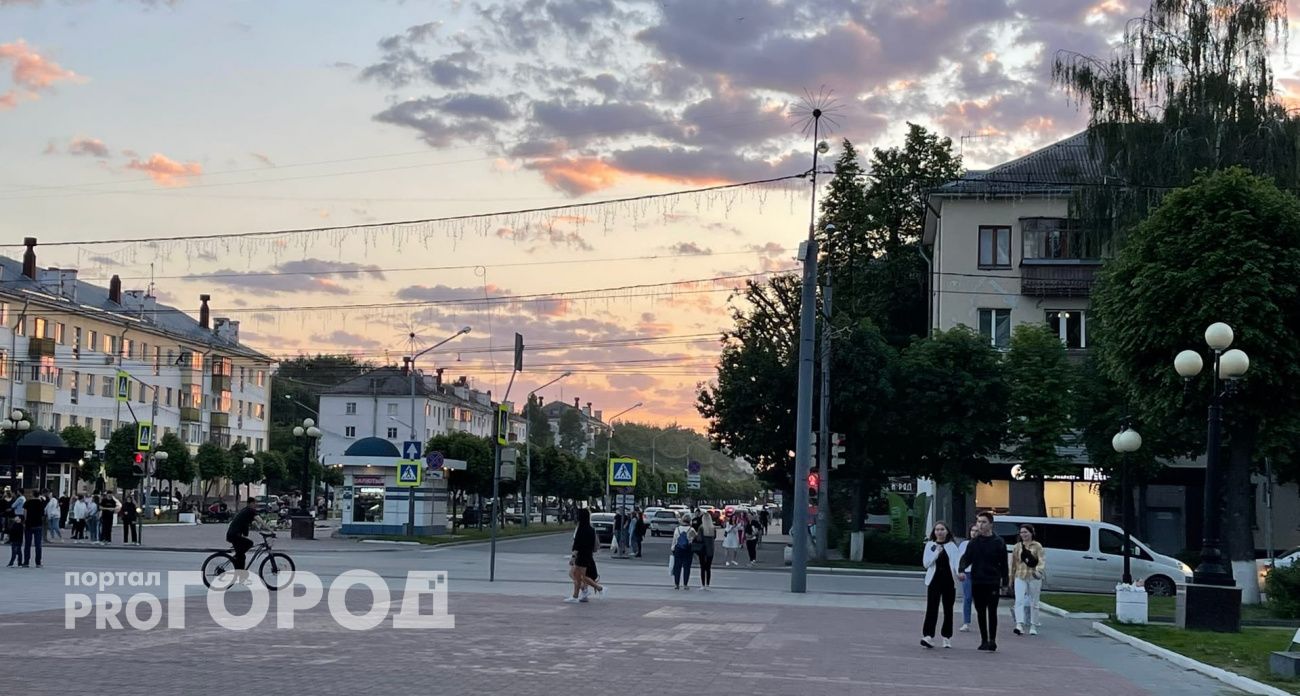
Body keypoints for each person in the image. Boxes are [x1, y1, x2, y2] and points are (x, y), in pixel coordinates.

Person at [959, 511, 1009, 652]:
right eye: (978, 522)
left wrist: (1005, 582)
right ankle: (983, 640)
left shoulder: (998, 542)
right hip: (977, 581)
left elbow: (1004, 563)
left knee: (992, 611)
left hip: (992, 581)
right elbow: (966, 558)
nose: (980, 525)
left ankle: (992, 639)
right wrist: (961, 569)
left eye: (983, 522)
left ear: (991, 524)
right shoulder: (974, 543)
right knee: (980, 611)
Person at [921, 521, 961, 649]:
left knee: (948, 609)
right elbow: (926, 563)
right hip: (934, 581)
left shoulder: (952, 546)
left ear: (947, 531)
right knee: (932, 608)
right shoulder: (930, 545)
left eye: (942, 529)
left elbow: (956, 563)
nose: (939, 532)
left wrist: (959, 573)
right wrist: (936, 553)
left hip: (949, 581)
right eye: (937, 529)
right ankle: (928, 635)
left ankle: (946, 637)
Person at [1011, 524, 1046, 636]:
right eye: (1022, 532)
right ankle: (1019, 624)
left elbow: (1041, 560)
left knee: (1034, 602)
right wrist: (1010, 577)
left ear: (1031, 533)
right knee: (1019, 600)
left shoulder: (1037, 546)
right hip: (1020, 576)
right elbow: (1013, 563)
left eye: (1026, 532)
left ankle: (1033, 625)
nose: (1024, 535)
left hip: (1033, 577)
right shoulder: (1017, 546)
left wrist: (1039, 571)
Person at [566, 508, 604, 603]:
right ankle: (583, 593)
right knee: (577, 575)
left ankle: (598, 588)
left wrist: (573, 557)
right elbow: (595, 545)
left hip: (581, 555)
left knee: (580, 576)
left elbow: (577, 544)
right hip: (588, 555)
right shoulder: (591, 529)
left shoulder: (581, 529)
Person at [226, 497, 265, 579]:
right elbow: (260, 521)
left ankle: (241, 575)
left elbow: (255, 523)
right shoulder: (250, 511)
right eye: (254, 503)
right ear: (250, 503)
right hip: (234, 535)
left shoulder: (246, 510)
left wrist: (260, 530)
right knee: (249, 544)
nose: (255, 505)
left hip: (233, 534)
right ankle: (240, 573)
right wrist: (271, 530)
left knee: (241, 556)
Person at [958, 522, 978, 633]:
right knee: (967, 597)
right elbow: (960, 559)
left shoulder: (982, 544)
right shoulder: (964, 544)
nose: (974, 533)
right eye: (972, 531)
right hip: (967, 574)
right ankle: (966, 622)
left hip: (980, 575)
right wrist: (960, 571)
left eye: (976, 531)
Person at [670, 513, 697, 590]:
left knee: (677, 567)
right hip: (688, 549)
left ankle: (676, 584)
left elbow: (674, 540)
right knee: (686, 567)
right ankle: (685, 584)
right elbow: (695, 538)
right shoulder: (691, 529)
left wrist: (673, 548)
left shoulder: (677, 529)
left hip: (678, 549)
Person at [693, 509, 716, 589]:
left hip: (702, 549)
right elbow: (714, 537)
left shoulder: (701, 528)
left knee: (702, 567)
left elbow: (699, 539)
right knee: (708, 567)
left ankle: (703, 585)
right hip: (711, 549)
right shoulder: (713, 528)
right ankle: (708, 584)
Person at [22, 489, 45, 567]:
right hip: (38, 524)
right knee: (38, 545)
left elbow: (25, 513)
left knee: (27, 544)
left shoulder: (27, 502)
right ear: (38, 495)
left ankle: (26, 562)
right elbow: (43, 514)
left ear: (32, 494)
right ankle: (38, 562)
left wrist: (25, 521)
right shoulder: (41, 503)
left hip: (29, 524)